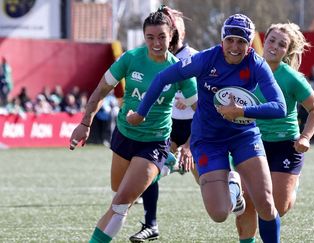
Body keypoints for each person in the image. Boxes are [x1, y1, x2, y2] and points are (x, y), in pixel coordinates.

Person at [127, 14, 287, 243]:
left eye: (241, 42)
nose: (235, 47)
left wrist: (242, 112)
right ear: (222, 40)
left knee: (266, 204)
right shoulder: (205, 60)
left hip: (244, 135)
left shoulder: (256, 63)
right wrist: (141, 113)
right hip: (208, 139)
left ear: (249, 45)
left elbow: (279, 107)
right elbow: (163, 78)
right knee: (219, 213)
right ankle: (234, 186)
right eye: (230, 40)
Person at [68, 9, 197, 243]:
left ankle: (160, 163)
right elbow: (101, 90)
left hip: (154, 141)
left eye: (161, 37)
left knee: (120, 205)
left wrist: (188, 145)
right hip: (124, 135)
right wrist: (85, 123)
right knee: (118, 189)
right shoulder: (130, 58)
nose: (156, 43)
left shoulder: (181, 70)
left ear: (171, 36)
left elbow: (202, 112)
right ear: (143, 37)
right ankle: (167, 166)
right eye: (150, 37)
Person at [235, 22, 314, 243]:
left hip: (286, 145)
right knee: (246, 201)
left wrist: (305, 137)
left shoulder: (291, 77)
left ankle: (292, 185)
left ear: (287, 51)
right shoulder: (247, 69)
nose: (274, 46)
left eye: (281, 44)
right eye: (271, 40)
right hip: (253, 143)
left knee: (277, 206)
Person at [129, 5, 198, 243]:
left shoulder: (192, 58)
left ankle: (233, 188)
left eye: (170, 24)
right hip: (169, 127)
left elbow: (202, 101)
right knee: (150, 171)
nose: (158, 38)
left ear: (175, 31)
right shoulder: (153, 57)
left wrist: (190, 144)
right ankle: (151, 224)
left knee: (209, 183)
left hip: (195, 126)